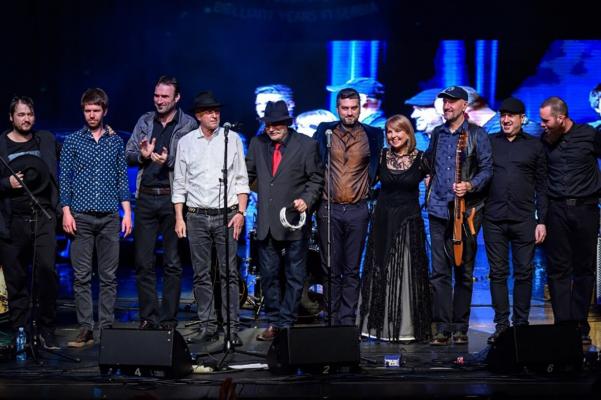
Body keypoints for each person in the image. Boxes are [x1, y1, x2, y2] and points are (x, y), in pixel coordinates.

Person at [172, 91, 249, 346]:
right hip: (195, 216)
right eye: (208, 111)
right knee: (201, 274)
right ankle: (207, 325)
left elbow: (241, 179)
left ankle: (231, 328)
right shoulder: (186, 142)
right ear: (198, 116)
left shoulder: (232, 139)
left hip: (226, 215)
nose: (214, 114)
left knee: (229, 273)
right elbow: (180, 183)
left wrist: (240, 212)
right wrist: (179, 218)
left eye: (216, 110)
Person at [59, 88, 132, 348]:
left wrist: (127, 212)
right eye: (88, 111)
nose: (91, 115)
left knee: (109, 276)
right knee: (81, 276)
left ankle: (106, 328)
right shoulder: (73, 141)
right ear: (83, 111)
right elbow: (64, 178)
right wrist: (66, 211)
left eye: (96, 110)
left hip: (110, 216)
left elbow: (122, 178)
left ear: (104, 111)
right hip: (81, 216)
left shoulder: (115, 141)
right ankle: (85, 328)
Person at [246, 100, 324, 340]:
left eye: (277, 123)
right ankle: (274, 322)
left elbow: (316, 179)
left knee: (294, 274)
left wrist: (306, 200)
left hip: (293, 221)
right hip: (267, 222)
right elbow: (248, 175)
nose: (272, 128)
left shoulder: (307, 145)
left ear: (287, 123)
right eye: (268, 124)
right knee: (268, 275)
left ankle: (287, 322)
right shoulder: (257, 144)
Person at [125, 76, 197, 330]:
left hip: (172, 198)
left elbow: (193, 161)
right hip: (145, 197)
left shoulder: (188, 124)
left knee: (172, 263)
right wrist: (142, 156)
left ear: (177, 98)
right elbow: (129, 153)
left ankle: (168, 319)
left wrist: (169, 160)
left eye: (165, 96)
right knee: (143, 262)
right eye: (157, 95)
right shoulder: (145, 121)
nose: (159, 100)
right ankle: (149, 317)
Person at [425, 86, 492, 346]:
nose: (447, 106)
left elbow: (487, 169)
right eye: (445, 102)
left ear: (465, 106)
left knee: (463, 271)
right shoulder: (437, 133)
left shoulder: (477, 134)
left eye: (452, 102)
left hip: (465, 215)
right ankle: (442, 327)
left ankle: (460, 327)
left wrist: (470, 185)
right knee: (439, 272)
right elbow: (431, 164)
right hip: (438, 211)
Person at [314, 88, 384, 326]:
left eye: (354, 108)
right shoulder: (325, 131)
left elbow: (382, 165)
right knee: (330, 268)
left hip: (358, 209)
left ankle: (346, 321)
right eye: (345, 108)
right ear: (338, 108)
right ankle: (331, 319)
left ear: (360, 108)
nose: (349, 113)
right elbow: (314, 164)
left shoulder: (373, 135)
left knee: (352, 269)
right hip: (328, 209)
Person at [358, 114, 432, 342]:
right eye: (389, 132)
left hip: (408, 223)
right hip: (382, 220)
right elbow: (367, 183)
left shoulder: (421, 159)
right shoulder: (381, 157)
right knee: (381, 268)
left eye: (398, 131)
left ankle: (405, 329)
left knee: (405, 273)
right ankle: (375, 326)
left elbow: (433, 189)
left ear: (408, 133)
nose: (393, 136)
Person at [483, 97, 548, 344]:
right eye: (503, 115)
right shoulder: (489, 143)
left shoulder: (534, 146)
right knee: (497, 273)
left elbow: (542, 186)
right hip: (494, 219)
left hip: (523, 219)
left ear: (523, 118)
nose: (506, 119)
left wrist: (541, 220)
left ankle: (521, 324)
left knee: (524, 272)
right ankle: (502, 325)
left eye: (511, 116)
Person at [539, 96, 601, 345]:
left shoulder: (589, 135)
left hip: (586, 210)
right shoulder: (544, 142)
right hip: (557, 211)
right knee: (558, 270)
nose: (542, 124)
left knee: (584, 269)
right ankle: (562, 325)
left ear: (561, 118)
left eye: (546, 120)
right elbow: (542, 182)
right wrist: (541, 217)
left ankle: (579, 324)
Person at [0, 96, 60, 350]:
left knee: (46, 272)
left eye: (30, 114)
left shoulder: (45, 139)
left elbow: (70, 155)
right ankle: (20, 330)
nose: (26, 119)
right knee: (16, 278)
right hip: (12, 220)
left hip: (43, 216)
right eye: (21, 115)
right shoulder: (1, 145)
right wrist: (6, 184)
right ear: (11, 117)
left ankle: (46, 329)